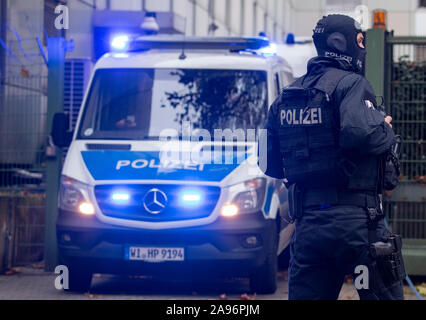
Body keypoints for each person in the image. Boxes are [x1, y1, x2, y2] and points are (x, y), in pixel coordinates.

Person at [260, 14, 405, 300]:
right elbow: (359, 133)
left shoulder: (287, 96)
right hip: (359, 229)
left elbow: (269, 163)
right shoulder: (352, 84)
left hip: (311, 228)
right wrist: (384, 128)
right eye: (360, 41)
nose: (362, 49)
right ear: (342, 43)